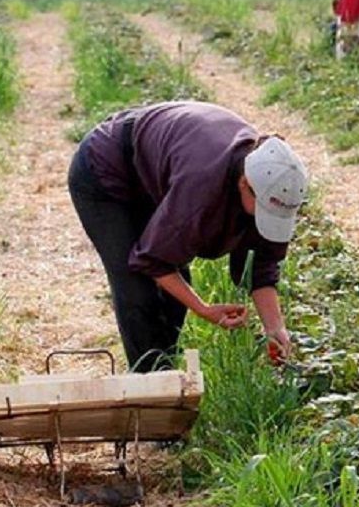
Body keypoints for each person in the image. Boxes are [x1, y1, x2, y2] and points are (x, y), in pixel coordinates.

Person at [68, 101, 307, 372]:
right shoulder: (201, 190)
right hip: (105, 171)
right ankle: (149, 390)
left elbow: (262, 263)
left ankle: (165, 373)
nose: (267, 217)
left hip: (158, 174)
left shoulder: (271, 183)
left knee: (174, 293)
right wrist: (203, 308)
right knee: (139, 289)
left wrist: (275, 328)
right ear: (245, 184)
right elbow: (154, 261)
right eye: (264, 210)